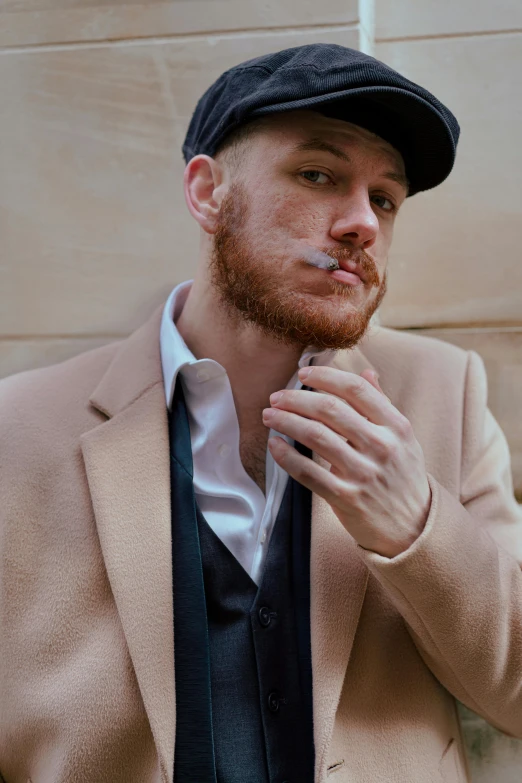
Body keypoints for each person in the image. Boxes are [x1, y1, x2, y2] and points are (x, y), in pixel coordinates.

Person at [0, 43, 521, 783]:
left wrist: (418, 525)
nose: (361, 223)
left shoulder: (445, 392)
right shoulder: (18, 428)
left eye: (384, 199)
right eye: (318, 175)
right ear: (208, 192)